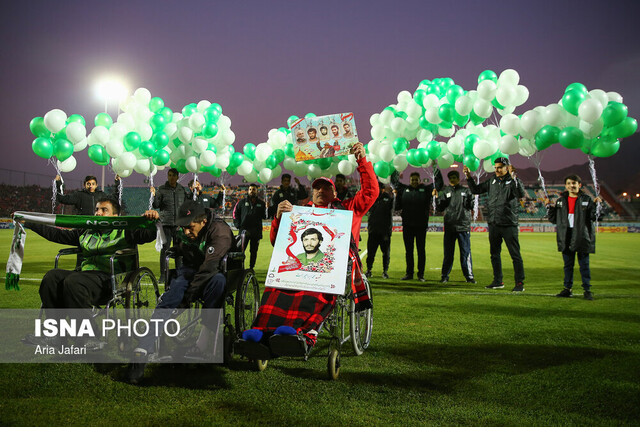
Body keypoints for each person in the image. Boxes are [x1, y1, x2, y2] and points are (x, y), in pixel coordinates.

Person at [236, 141, 377, 358]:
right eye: (317, 188)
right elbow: (278, 243)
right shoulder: (299, 212)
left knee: (315, 291)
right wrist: (277, 218)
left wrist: (362, 160)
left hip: (330, 268)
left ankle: (303, 332)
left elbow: (370, 192)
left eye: (326, 187)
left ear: (334, 192)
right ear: (311, 194)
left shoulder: (347, 209)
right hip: (299, 265)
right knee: (276, 287)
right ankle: (262, 331)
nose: (321, 190)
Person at [20, 197, 158, 348]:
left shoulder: (126, 230)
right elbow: (58, 235)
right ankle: (56, 335)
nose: (98, 213)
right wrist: (30, 223)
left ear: (116, 216)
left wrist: (151, 220)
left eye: (104, 210)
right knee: (51, 277)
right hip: (86, 276)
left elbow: (148, 235)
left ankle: (89, 336)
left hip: (110, 278)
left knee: (74, 281)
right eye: (97, 209)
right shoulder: (86, 230)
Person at [129, 200, 234, 383]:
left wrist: (187, 298)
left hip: (214, 271)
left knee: (217, 282)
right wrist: (151, 220)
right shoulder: (184, 229)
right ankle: (144, 349)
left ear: (203, 222)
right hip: (189, 270)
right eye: (183, 228)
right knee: (171, 297)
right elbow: (174, 242)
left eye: (190, 228)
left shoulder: (220, 232)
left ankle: (203, 344)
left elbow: (209, 268)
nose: (185, 232)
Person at [464, 157, 526, 291]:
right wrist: (468, 177)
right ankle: (498, 281)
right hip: (494, 223)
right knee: (494, 254)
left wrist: (515, 178)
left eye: (500, 167)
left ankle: (519, 283)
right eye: (496, 167)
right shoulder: (491, 181)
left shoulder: (513, 180)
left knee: (515, 255)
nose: (497, 170)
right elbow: (476, 190)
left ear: (507, 167)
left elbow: (520, 193)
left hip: (509, 224)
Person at [546, 175, 602, 300]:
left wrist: (598, 206)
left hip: (582, 236)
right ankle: (567, 289)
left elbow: (595, 217)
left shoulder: (587, 199)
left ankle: (587, 290)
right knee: (568, 265)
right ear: (566, 186)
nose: (572, 185)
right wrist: (549, 208)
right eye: (569, 183)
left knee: (584, 265)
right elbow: (554, 219)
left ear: (579, 185)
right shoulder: (560, 201)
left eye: (574, 183)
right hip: (566, 236)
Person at [391, 167, 443, 281]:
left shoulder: (426, 189)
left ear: (419, 180)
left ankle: (421, 275)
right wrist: (396, 167)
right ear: (409, 180)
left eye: (416, 179)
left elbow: (439, 183)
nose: (414, 181)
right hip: (407, 225)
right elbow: (394, 182)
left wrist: (435, 168)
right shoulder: (404, 189)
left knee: (421, 251)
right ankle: (409, 273)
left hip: (421, 226)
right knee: (408, 251)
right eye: (412, 179)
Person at [433, 170, 475, 284]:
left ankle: (469, 277)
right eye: (450, 177)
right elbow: (440, 208)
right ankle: (445, 276)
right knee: (448, 254)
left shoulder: (466, 191)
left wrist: (471, 199)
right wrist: (437, 198)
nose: (452, 179)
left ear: (458, 178)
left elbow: (471, 206)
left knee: (465, 253)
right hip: (450, 226)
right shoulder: (445, 191)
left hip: (463, 226)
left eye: (454, 177)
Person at [151, 168, 190, 283]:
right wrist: (154, 195)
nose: (171, 177)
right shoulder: (162, 189)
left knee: (179, 251)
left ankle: (179, 273)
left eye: (173, 175)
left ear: (177, 177)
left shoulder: (181, 190)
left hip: (178, 225)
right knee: (165, 250)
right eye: (169, 175)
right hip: (166, 224)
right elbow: (156, 205)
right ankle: (163, 275)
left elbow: (187, 205)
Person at [232, 183, 266, 270]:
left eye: (254, 189)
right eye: (250, 189)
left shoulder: (262, 204)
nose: (252, 191)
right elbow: (235, 214)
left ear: (257, 191)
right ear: (248, 191)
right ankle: (239, 267)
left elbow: (265, 217)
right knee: (240, 251)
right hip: (244, 231)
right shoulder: (241, 202)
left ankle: (251, 268)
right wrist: (238, 225)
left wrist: (267, 209)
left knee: (254, 252)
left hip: (256, 232)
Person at [55, 175, 121, 215]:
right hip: (82, 225)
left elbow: (114, 198)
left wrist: (117, 183)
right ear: (84, 185)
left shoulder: (101, 195)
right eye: (88, 184)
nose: (90, 186)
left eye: (93, 184)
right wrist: (58, 183)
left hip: (96, 225)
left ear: (96, 185)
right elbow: (62, 199)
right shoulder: (79, 195)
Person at [365, 182, 393, 279]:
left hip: (384, 232)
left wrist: (388, 231)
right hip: (373, 231)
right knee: (371, 253)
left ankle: (385, 271)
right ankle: (369, 270)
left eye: (380, 188)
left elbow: (391, 213)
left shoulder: (388, 198)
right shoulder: (371, 198)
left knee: (386, 253)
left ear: (382, 189)